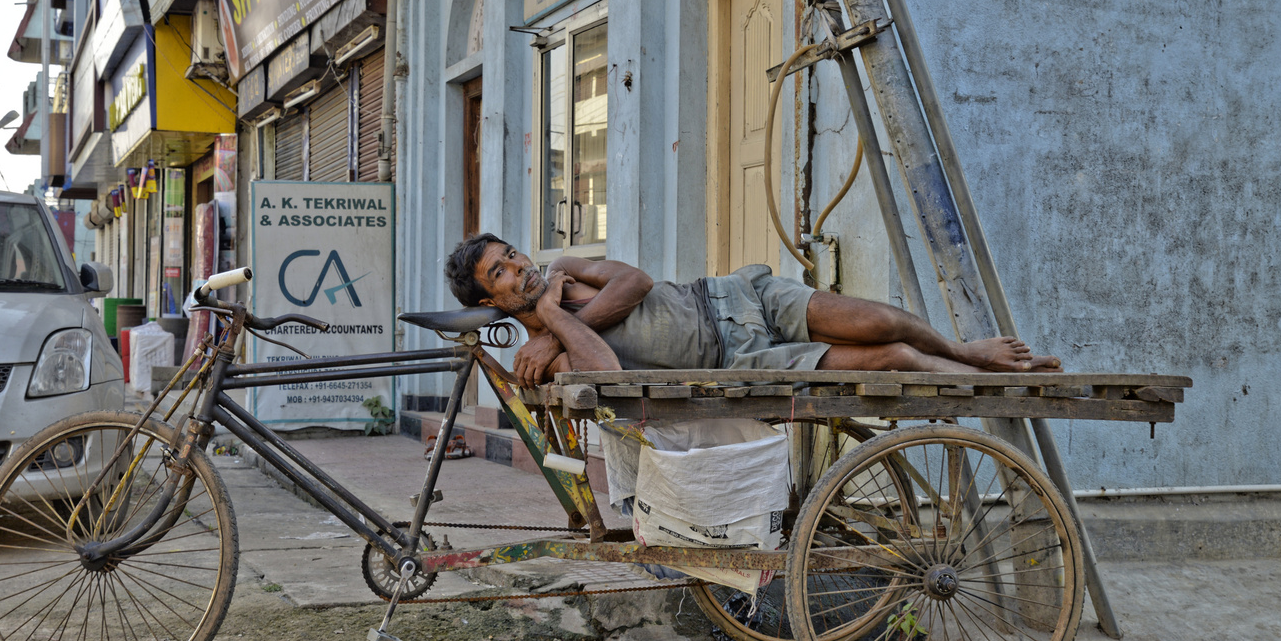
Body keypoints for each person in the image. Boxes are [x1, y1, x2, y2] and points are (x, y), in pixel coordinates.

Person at [443, 233, 1061, 388]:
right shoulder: (540, 351)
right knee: (894, 357)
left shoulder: (566, 270)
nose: (520, 265)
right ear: (487, 301)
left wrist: (559, 315)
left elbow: (635, 281)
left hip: (735, 299)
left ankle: (963, 351)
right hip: (741, 356)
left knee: (884, 321)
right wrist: (552, 324)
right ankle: (984, 384)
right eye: (500, 271)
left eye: (511, 252)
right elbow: (605, 375)